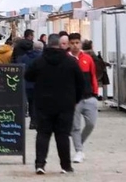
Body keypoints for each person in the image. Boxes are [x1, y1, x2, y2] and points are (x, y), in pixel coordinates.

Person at [25, 34, 85, 174]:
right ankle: (66, 166)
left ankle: (40, 164)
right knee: (63, 135)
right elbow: (81, 82)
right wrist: (75, 99)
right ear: (60, 44)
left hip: (43, 104)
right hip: (65, 104)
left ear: (47, 44)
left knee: (43, 134)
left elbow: (28, 76)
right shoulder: (70, 61)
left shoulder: (39, 61)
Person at [68, 33, 98, 163]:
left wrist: (95, 93)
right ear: (69, 44)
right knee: (75, 127)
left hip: (89, 96)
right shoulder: (66, 59)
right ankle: (79, 151)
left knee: (91, 124)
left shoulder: (87, 58)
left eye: (77, 43)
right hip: (73, 99)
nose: (75, 45)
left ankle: (79, 143)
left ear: (80, 43)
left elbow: (93, 76)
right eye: (72, 43)